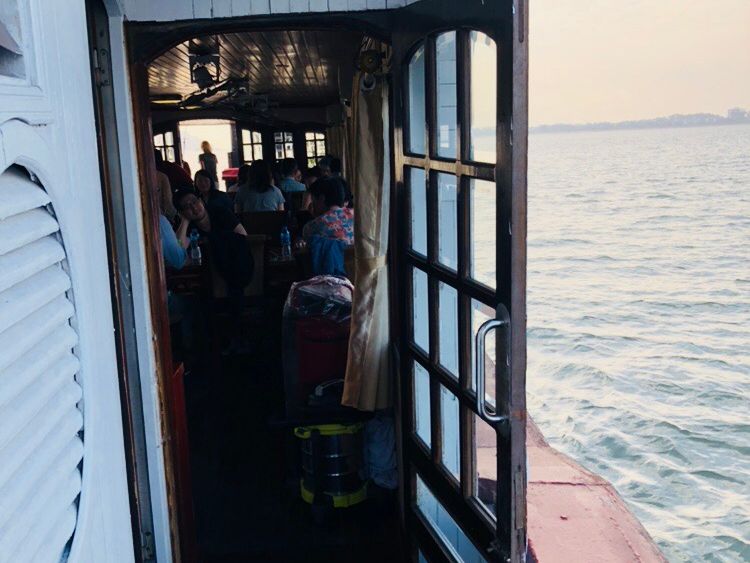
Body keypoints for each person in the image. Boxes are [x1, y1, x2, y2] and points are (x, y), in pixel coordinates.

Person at [174, 189, 252, 354]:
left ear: (201, 200)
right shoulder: (190, 228)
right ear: (182, 212)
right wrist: (185, 221)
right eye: (187, 207)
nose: (193, 208)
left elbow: (243, 236)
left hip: (236, 273)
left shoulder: (221, 212)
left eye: (194, 201)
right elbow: (178, 251)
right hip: (208, 282)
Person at [302, 176, 354, 245]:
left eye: (313, 199)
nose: (312, 204)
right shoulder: (358, 217)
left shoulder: (311, 227)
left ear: (321, 198)